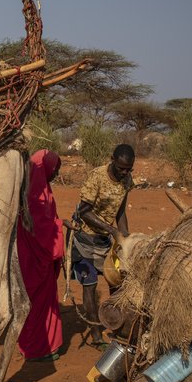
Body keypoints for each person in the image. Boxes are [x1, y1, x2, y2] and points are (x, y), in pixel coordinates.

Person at [71, 144, 135, 348]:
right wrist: (112, 230)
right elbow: (84, 211)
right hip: (85, 241)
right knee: (90, 287)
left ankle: (118, 327)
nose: (124, 172)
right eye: (121, 168)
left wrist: (124, 236)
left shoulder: (127, 181)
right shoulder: (96, 177)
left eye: (129, 169)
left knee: (116, 283)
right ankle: (97, 335)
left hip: (105, 241)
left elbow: (121, 210)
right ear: (112, 159)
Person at [16, 150, 65, 361]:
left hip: (30, 256)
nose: (55, 174)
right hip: (37, 259)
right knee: (37, 302)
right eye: (54, 170)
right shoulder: (36, 195)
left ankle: (35, 344)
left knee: (36, 300)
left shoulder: (35, 187)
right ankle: (37, 348)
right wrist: (61, 227)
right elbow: (43, 230)